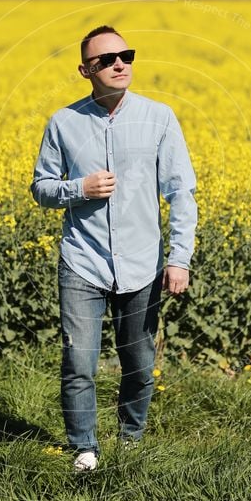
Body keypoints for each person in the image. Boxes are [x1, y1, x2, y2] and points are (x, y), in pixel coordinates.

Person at [30, 25, 197, 471]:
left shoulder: (159, 117)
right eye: (106, 59)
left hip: (142, 264)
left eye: (126, 55)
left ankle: (131, 440)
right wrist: (78, 188)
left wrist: (179, 258)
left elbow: (181, 193)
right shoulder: (63, 123)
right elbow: (41, 189)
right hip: (82, 262)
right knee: (78, 361)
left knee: (139, 364)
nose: (119, 63)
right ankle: (84, 447)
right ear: (85, 70)